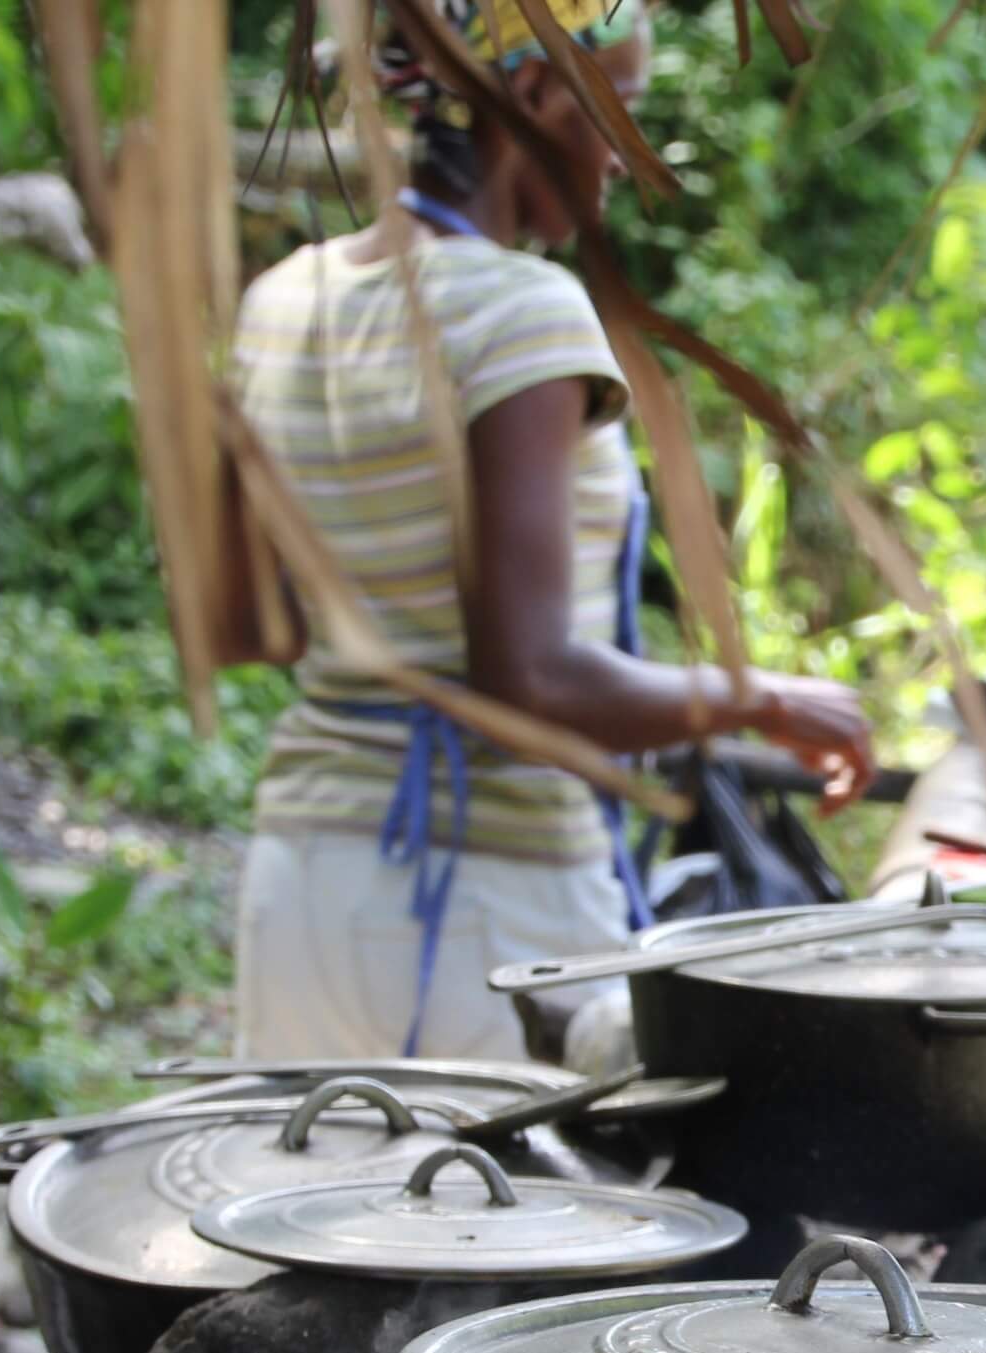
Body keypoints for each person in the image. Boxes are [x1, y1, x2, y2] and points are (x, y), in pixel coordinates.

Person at [229, 0, 872, 1061]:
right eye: (619, 110)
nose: (629, 158)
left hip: (300, 880)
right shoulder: (522, 312)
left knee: (318, 1223)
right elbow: (528, 680)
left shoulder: (282, 299)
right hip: (487, 904)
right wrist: (762, 698)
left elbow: (265, 616)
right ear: (530, 97)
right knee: (507, 1222)